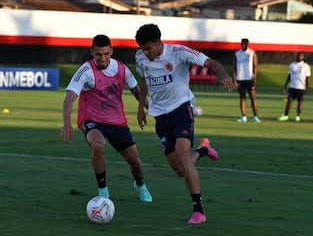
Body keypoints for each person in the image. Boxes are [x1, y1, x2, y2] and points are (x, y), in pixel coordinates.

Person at [134, 24, 234, 224]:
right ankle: (203, 150)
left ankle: (199, 210)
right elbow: (143, 80)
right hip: (160, 118)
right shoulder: (140, 57)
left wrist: (223, 74)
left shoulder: (178, 53)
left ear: (158, 41)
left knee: (182, 154)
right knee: (181, 169)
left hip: (181, 110)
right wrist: (140, 107)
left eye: (148, 48)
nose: (145, 53)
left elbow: (211, 62)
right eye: (142, 49)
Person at [59, 34, 152, 202]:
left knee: (135, 163)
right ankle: (103, 191)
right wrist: (67, 123)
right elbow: (69, 99)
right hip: (92, 120)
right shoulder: (85, 71)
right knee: (98, 145)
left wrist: (152, 110)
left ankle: (140, 185)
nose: (102, 58)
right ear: (92, 52)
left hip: (117, 122)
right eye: (98, 55)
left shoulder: (122, 69)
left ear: (111, 52)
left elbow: (137, 92)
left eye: (106, 54)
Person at [233, 38, 260, 123]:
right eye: (242, 44)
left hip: (249, 79)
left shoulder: (252, 53)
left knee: (253, 97)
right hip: (240, 79)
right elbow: (234, 67)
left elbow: (255, 67)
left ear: (248, 44)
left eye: (245, 44)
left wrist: (254, 78)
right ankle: (243, 116)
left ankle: (255, 116)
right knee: (242, 97)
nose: (243, 45)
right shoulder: (237, 53)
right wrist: (234, 79)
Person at [278, 52, 311, 122]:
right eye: (298, 55)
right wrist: (285, 85)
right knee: (289, 101)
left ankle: (297, 116)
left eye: (301, 56)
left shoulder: (306, 66)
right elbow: (289, 76)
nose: (299, 57)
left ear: (303, 57)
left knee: (300, 102)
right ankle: (285, 115)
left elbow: (308, 78)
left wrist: (307, 88)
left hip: (301, 87)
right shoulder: (292, 65)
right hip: (292, 86)